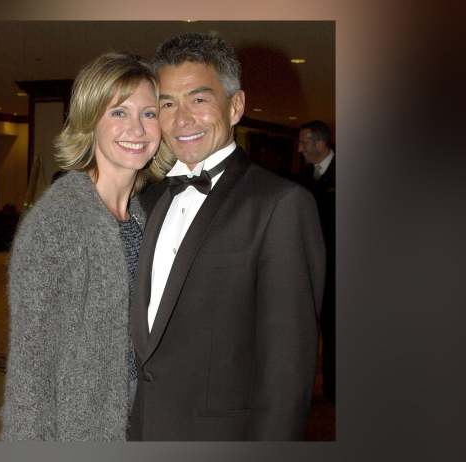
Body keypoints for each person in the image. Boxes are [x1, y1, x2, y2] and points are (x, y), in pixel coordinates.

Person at [129, 33, 326, 441]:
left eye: (199, 100)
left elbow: (287, 373)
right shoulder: (150, 200)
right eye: (167, 104)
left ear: (235, 106)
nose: (181, 119)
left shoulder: (282, 205)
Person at [0, 51, 173, 441]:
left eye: (148, 113)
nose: (137, 128)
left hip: (141, 414)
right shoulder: (57, 224)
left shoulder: (144, 216)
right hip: (85, 427)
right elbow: (31, 371)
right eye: (118, 113)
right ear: (89, 122)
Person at [298, 120, 336, 404]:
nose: (300, 149)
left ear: (321, 143)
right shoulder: (303, 177)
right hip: (313, 267)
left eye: (305, 143)